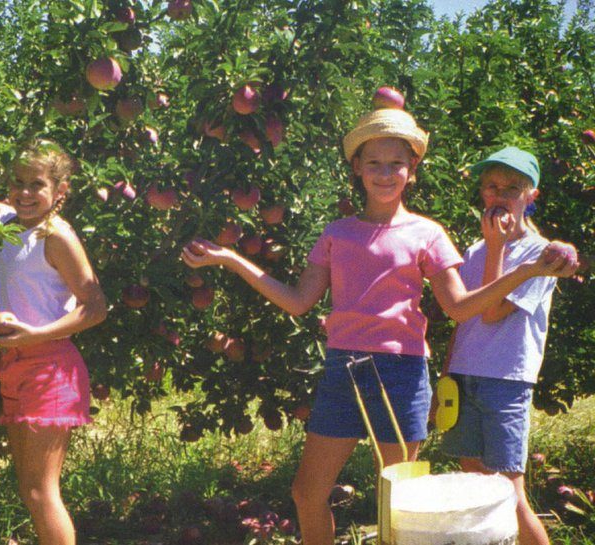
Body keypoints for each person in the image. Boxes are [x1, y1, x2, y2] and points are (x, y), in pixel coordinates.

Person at [180, 109, 578, 545]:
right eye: (374, 163)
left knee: (398, 506)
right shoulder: (337, 233)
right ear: (357, 168)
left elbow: (461, 308)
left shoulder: (428, 233)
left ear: (412, 171)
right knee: (307, 492)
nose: (385, 173)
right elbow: (298, 302)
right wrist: (232, 259)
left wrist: (528, 271)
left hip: (401, 375)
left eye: (396, 164)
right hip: (342, 372)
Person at [0, 140, 108, 545]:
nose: (25, 192)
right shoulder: (8, 220)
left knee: (42, 492)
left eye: (37, 185)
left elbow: (96, 307)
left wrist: (36, 335)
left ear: (59, 192)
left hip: (50, 367)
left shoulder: (57, 237)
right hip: (16, 366)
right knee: (29, 491)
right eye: (18, 182)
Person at [437, 147, 578, 545]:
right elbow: (463, 317)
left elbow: (494, 312)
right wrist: (446, 378)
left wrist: (497, 248)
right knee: (474, 487)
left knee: (508, 494)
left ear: (530, 196)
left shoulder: (542, 254)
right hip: (465, 379)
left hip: (506, 381)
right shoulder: (475, 251)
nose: (500, 195)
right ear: (482, 193)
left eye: (513, 188)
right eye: (492, 186)